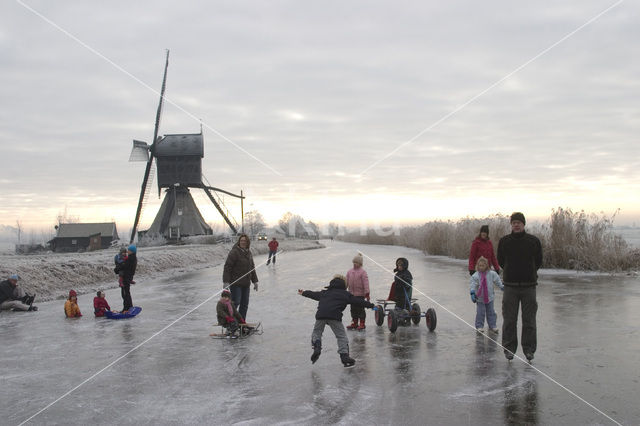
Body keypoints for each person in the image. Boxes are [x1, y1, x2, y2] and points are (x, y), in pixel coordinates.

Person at [298, 275, 375, 367]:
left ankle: (317, 346)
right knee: (341, 336)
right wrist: (372, 306)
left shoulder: (325, 292)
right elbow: (358, 302)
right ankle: (344, 357)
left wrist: (303, 292)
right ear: (345, 285)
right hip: (334, 316)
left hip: (321, 314)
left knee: (317, 332)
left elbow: (313, 294)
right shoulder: (345, 294)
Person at [497, 212, 543, 361]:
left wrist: (528, 271)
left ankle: (529, 350)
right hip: (510, 287)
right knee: (509, 320)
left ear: (524, 224)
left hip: (529, 287)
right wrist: (511, 272)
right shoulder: (504, 241)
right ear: (511, 224)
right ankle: (509, 349)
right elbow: (501, 260)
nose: (516, 224)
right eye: (514, 222)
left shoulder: (533, 241)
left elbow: (538, 260)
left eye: (519, 222)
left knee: (529, 320)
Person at [223, 234, 258, 320]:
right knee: (235, 303)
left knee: (244, 304)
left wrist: (255, 281)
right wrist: (226, 281)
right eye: (241, 241)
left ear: (247, 242)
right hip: (236, 283)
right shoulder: (234, 252)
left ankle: (241, 323)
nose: (243, 242)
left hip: (246, 284)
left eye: (245, 241)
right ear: (239, 242)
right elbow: (227, 267)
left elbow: (252, 268)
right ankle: (230, 322)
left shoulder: (248, 253)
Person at [470, 256, 504, 332]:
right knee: (480, 313)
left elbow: (497, 280)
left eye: (483, 265)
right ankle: (479, 326)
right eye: (480, 265)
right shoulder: (475, 275)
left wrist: (501, 286)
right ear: (477, 266)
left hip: (490, 297)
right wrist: (472, 293)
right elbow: (473, 284)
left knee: (491, 312)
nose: (481, 267)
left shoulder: (492, 274)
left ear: (486, 265)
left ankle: (492, 326)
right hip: (480, 298)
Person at [346, 253, 370, 330]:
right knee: (353, 309)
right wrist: (343, 289)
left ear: (360, 264)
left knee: (360, 309)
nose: (355, 264)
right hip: (351, 294)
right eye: (354, 262)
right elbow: (346, 281)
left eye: (356, 263)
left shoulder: (363, 272)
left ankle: (362, 323)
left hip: (360, 295)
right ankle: (355, 322)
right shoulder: (349, 272)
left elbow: (366, 283)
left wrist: (367, 293)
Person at [119, 245, 138, 312]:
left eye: (129, 250)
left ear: (132, 251)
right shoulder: (132, 258)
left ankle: (127, 308)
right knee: (126, 293)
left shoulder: (130, 259)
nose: (127, 251)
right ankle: (128, 307)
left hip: (126, 277)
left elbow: (125, 267)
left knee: (125, 294)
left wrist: (118, 268)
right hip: (128, 277)